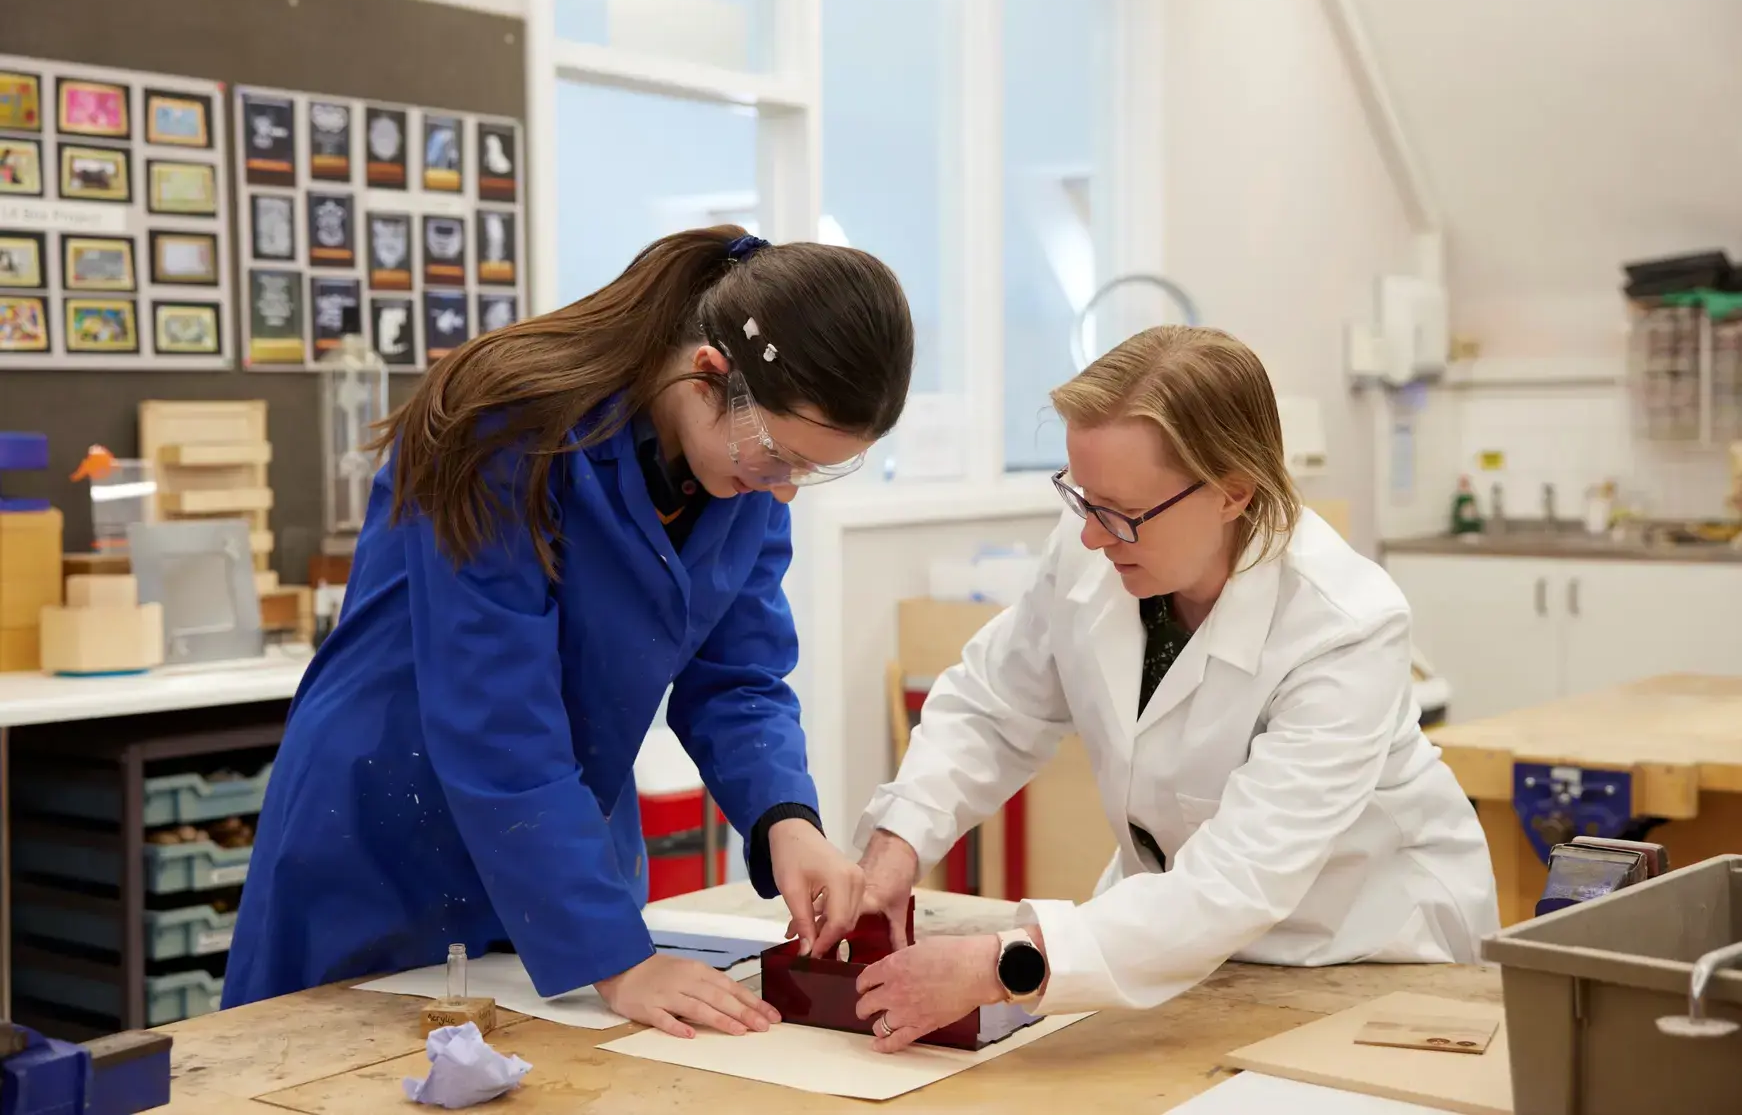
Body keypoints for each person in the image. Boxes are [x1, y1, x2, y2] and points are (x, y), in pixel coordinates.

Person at [225, 226, 915, 1041]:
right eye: (780, 455)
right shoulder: (503, 428)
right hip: (392, 827)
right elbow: (496, 718)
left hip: (559, 837)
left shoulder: (743, 480)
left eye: (813, 468)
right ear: (706, 377)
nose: (786, 491)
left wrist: (786, 821)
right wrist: (619, 962)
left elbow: (737, 678)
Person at [848, 325, 1499, 1052]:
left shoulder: (1345, 626)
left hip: (1362, 953)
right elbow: (995, 706)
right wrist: (898, 841)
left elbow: (1236, 882)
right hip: (1173, 946)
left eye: (1121, 513)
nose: (1094, 537)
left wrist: (1001, 961)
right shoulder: (1095, 548)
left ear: (1233, 491)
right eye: (1082, 499)